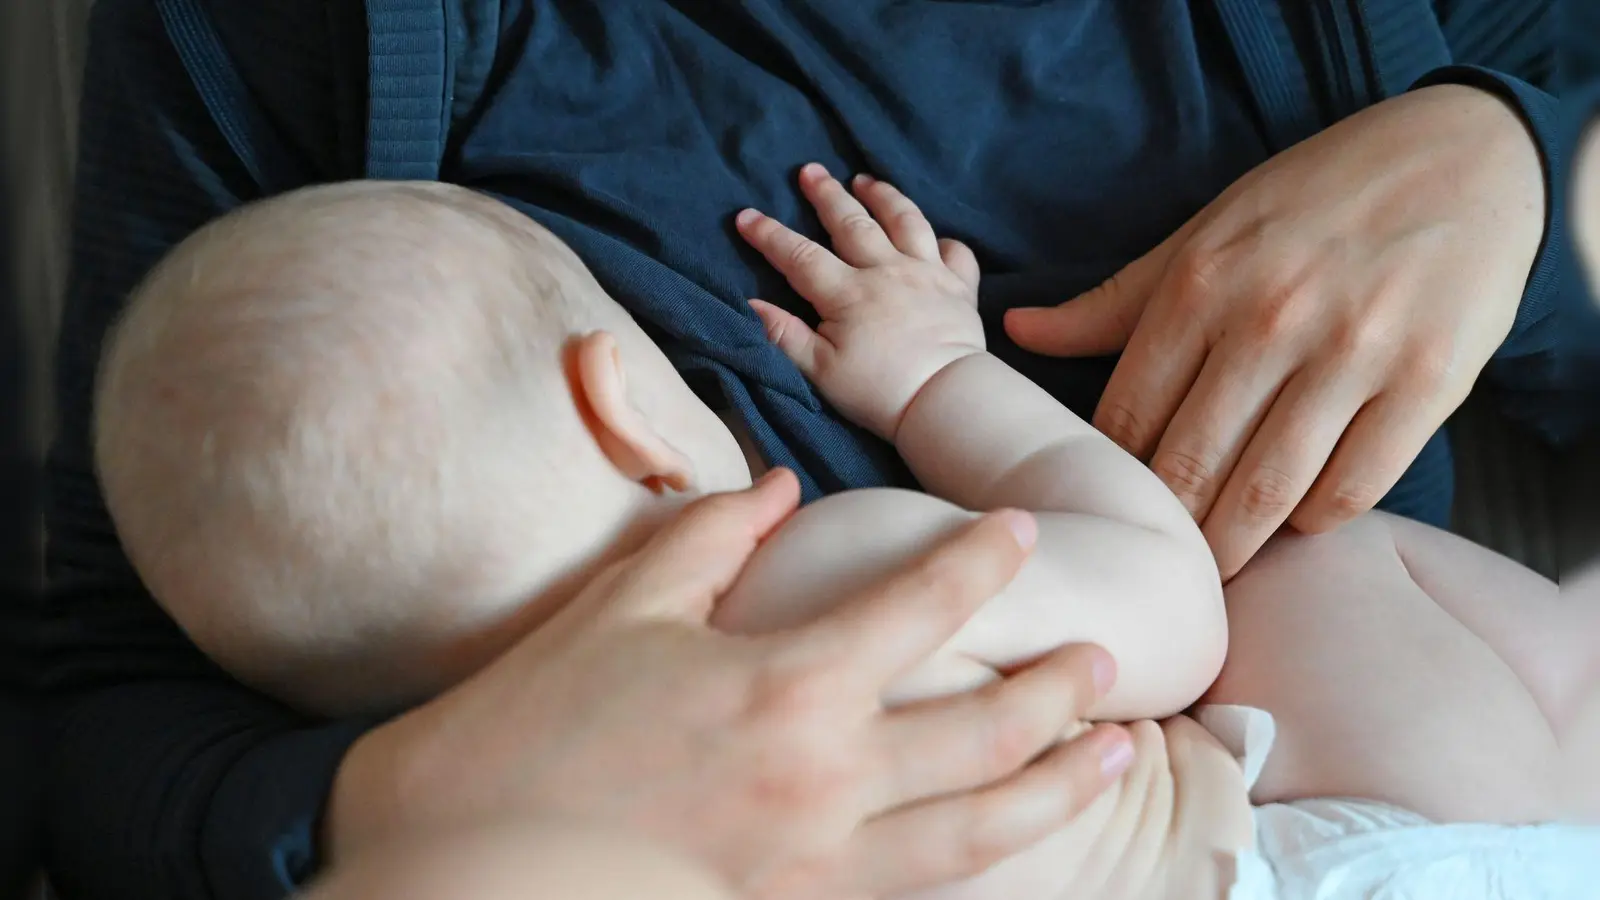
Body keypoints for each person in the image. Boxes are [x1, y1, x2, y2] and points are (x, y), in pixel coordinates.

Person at [46, 2, 1585, 898]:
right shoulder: (837, 574)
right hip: (1314, 860)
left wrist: (1521, 158)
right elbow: (1173, 608)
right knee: (1322, 582)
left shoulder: (562, 797)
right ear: (629, 410)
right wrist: (931, 385)